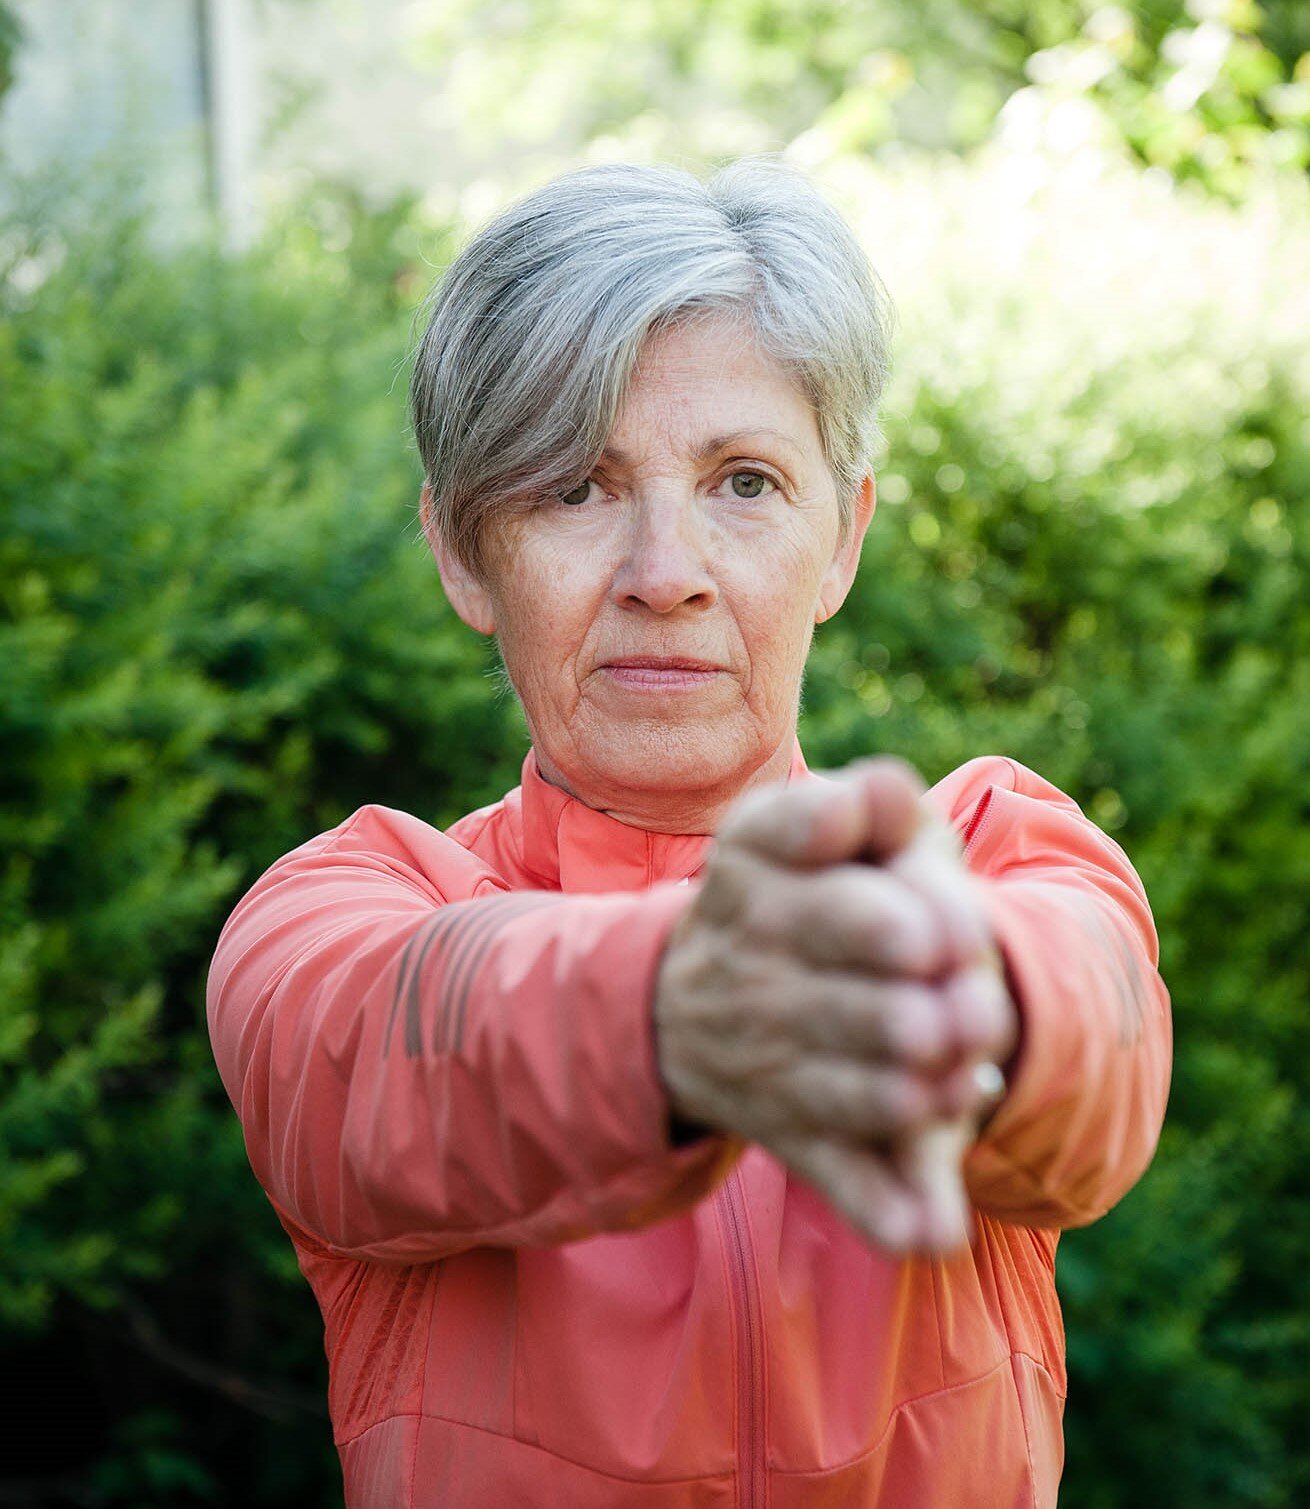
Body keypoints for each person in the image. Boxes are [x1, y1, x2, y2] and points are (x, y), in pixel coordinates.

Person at [207, 155, 1171, 1508]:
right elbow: (376, 1061)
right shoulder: (342, 912)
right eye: (575, 490)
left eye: (747, 482)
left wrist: (971, 991)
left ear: (843, 540)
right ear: (463, 555)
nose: (667, 574)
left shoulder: (998, 852)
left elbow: (1098, 1038)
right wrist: (673, 1008)